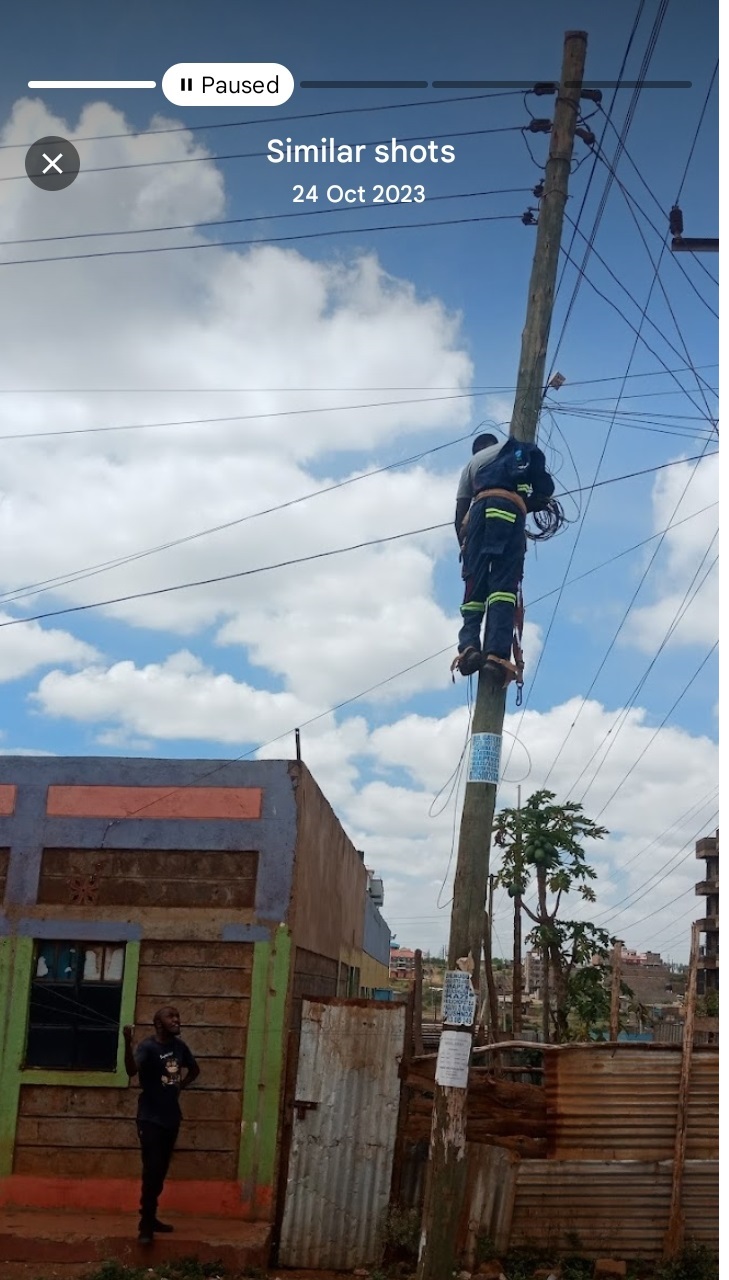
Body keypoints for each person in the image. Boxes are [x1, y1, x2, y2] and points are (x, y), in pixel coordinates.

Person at [454, 431, 555, 683]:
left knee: (474, 587)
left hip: (478, 514)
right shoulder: (520, 453)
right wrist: (527, 502)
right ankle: (495, 657)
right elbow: (545, 491)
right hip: (509, 513)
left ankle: (468, 648)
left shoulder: (472, 464)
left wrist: (467, 552)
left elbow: (459, 514)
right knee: (503, 588)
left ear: (478, 449)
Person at [123, 1007, 200, 1245]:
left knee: (161, 1170)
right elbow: (131, 1070)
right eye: (171, 1017)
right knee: (152, 1168)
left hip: (171, 1117)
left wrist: (180, 1087)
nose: (177, 1020)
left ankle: (151, 1215)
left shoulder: (179, 1047)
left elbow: (194, 1070)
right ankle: (146, 1225)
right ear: (158, 1023)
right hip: (150, 1118)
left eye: (178, 1016)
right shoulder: (148, 1047)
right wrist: (126, 1042)